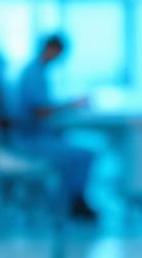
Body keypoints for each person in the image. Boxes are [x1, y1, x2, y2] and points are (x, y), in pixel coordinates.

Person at [14, 34, 98, 221]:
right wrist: (72, 104)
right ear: (51, 49)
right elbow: (41, 111)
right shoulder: (33, 73)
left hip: (38, 135)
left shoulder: (38, 71)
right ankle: (73, 204)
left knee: (80, 151)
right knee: (83, 156)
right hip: (30, 140)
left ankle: (71, 201)